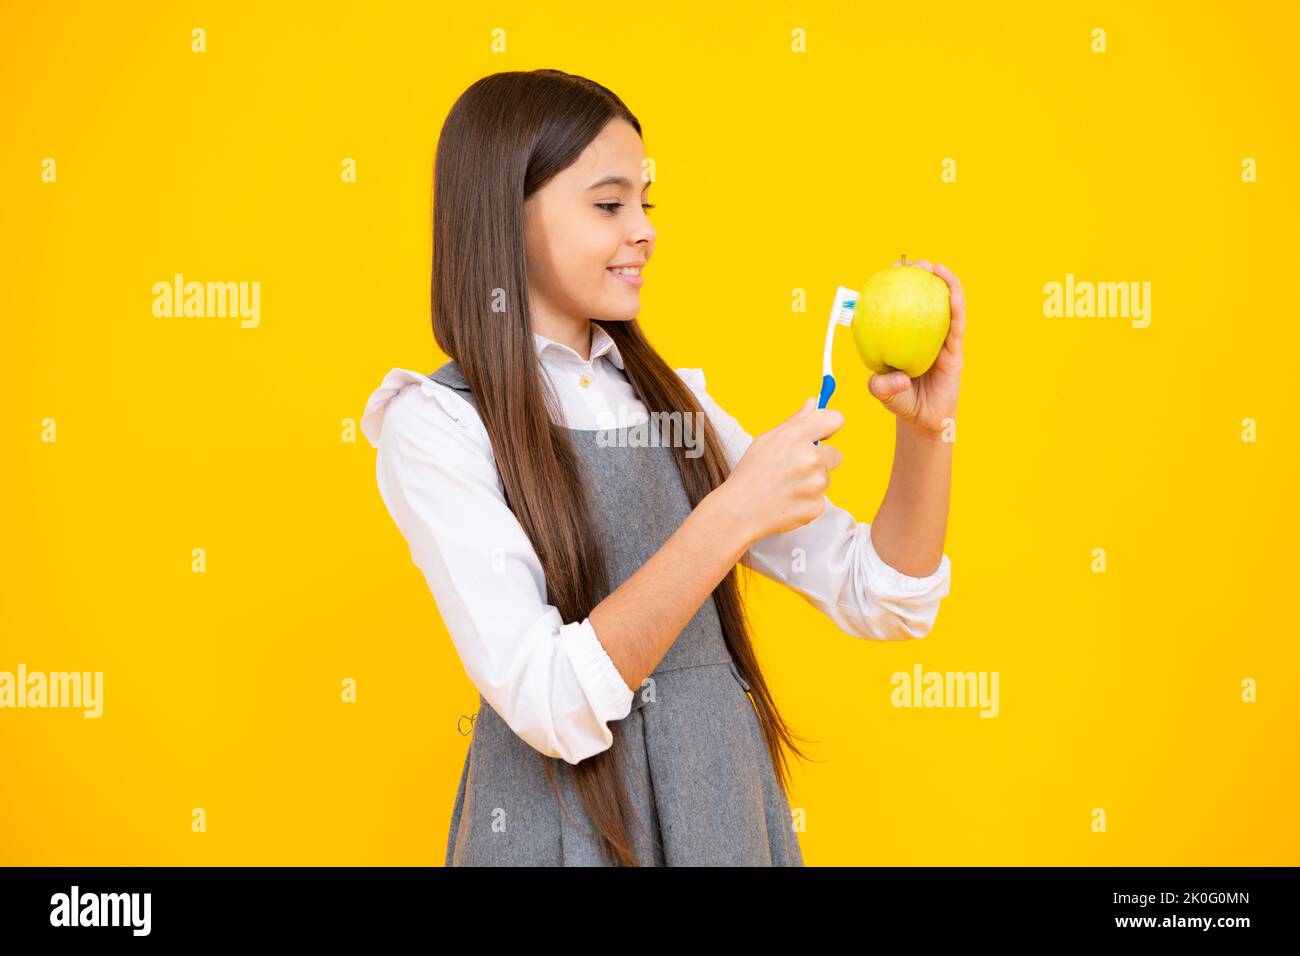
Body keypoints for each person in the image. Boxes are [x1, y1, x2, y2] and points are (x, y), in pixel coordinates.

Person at [360, 69, 964, 866]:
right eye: (610, 205)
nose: (644, 229)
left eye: (647, 203)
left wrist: (927, 431)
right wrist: (730, 514)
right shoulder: (436, 424)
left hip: (721, 816)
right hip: (559, 837)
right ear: (504, 216)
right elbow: (547, 696)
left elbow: (881, 594)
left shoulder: (678, 407)